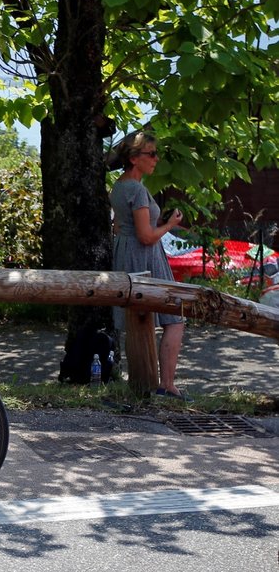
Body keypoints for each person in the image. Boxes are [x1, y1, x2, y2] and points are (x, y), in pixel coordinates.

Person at [109, 130, 187, 399]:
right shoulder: (137, 190)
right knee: (173, 318)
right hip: (146, 256)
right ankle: (166, 384)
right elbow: (146, 236)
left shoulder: (119, 187)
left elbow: (120, 226)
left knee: (139, 321)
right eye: (151, 154)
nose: (156, 159)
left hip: (127, 254)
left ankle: (145, 383)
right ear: (134, 158)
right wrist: (170, 224)